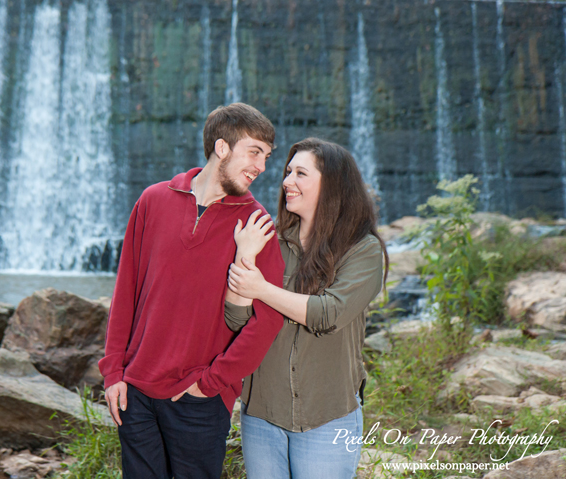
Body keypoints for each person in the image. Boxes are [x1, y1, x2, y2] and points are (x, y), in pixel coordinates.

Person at [98, 103, 286, 479]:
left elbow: (269, 319)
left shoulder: (257, 224)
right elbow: (126, 292)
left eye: (266, 156)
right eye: (254, 152)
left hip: (199, 398)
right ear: (222, 148)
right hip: (135, 389)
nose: (261, 166)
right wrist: (114, 372)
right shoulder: (153, 200)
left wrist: (212, 384)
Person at [225, 138, 388, 479]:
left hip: (326, 416)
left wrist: (261, 289)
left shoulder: (363, 250)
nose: (286, 181)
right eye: (287, 172)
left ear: (332, 185)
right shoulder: (267, 239)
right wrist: (245, 255)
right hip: (261, 415)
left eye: (300, 173)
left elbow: (328, 313)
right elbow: (237, 322)